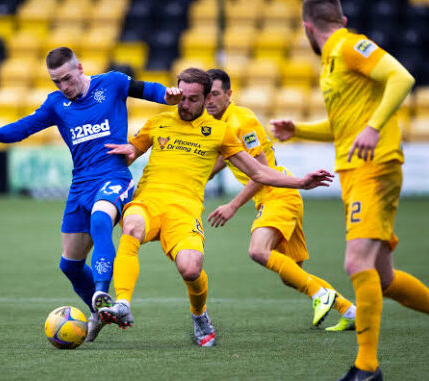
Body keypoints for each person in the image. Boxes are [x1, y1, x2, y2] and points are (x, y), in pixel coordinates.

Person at [271, 1, 429, 379]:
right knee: (383, 277)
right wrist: (301, 131)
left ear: (307, 27)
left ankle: (366, 368)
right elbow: (345, 124)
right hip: (354, 172)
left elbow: (401, 78)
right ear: (338, 18)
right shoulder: (331, 60)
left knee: (356, 263)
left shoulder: (347, 46)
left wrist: (374, 127)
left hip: (375, 168)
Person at [98, 68, 333, 347]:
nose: (185, 105)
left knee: (191, 268)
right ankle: (123, 302)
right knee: (132, 225)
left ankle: (200, 316)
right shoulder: (158, 122)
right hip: (148, 201)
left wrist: (300, 182)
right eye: (182, 97)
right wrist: (127, 153)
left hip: (184, 210)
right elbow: (132, 150)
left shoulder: (221, 132)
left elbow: (258, 172)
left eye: (193, 99)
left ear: (207, 97)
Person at [0, 46, 183, 342]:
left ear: (80, 68)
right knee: (68, 264)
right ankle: (99, 313)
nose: (63, 87)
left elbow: (149, 90)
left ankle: (102, 295)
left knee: (100, 220)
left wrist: (168, 96)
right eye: (57, 82)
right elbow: (24, 128)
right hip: (80, 185)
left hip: (114, 177)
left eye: (67, 79)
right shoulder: (56, 104)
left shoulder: (112, 83)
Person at [204, 68, 357, 331]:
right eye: (206, 95)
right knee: (292, 275)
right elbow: (220, 160)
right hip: (277, 198)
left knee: (258, 250)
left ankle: (320, 295)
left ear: (229, 94)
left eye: (215, 94)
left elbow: (263, 172)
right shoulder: (219, 126)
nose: (209, 100)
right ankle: (351, 311)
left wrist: (232, 205)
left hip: (278, 194)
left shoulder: (242, 120)